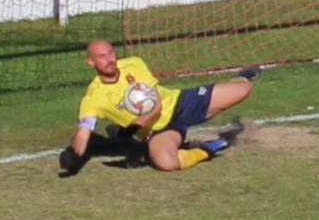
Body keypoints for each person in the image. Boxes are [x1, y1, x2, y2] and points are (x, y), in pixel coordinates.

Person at [59, 39, 255, 177]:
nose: (110, 59)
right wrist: (74, 156)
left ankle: (240, 77)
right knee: (166, 163)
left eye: (111, 52)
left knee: (244, 89)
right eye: (102, 56)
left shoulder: (133, 64)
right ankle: (207, 149)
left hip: (181, 103)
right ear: (91, 62)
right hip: (160, 130)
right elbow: (83, 134)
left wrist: (130, 133)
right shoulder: (94, 97)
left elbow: (156, 107)